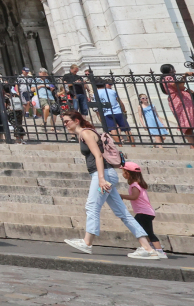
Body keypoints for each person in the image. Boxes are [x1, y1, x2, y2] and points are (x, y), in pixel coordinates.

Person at [59, 110, 161, 258]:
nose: (65, 124)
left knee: (92, 206)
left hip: (103, 173)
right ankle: (148, 248)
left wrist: (101, 178)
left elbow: (98, 156)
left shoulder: (86, 133)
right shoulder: (85, 134)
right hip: (106, 173)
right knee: (123, 213)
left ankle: (87, 242)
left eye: (67, 121)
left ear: (76, 120)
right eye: (64, 122)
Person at [119, 162, 167, 258]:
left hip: (143, 212)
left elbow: (134, 196)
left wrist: (122, 196)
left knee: (147, 232)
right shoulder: (139, 184)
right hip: (145, 212)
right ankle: (150, 247)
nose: (122, 174)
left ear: (128, 173)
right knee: (143, 230)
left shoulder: (135, 185)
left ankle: (159, 251)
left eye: (123, 172)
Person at [161, 65, 194, 148]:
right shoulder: (168, 77)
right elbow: (177, 85)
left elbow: (179, 86)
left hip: (178, 101)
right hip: (181, 101)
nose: (175, 71)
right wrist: (184, 76)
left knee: (187, 125)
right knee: (192, 123)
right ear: (170, 70)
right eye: (173, 69)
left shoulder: (164, 79)